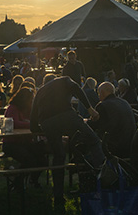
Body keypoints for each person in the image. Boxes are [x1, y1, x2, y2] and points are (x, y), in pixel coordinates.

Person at [30, 76, 104, 204]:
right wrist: (90, 109)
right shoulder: (63, 80)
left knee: (59, 156)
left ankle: (58, 196)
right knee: (93, 141)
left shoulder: (40, 92)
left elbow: (32, 125)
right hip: (66, 115)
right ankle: (104, 181)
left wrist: (46, 128)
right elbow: (76, 88)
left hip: (47, 122)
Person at [2, 87, 47, 187]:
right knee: (29, 159)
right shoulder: (12, 108)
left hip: (25, 142)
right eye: (30, 100)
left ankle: (32, 179)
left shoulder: (28, 109)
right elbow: (15, 123)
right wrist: (30, 124)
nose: (32, 102)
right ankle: (18, 180)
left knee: (42, 160)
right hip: (11, 143)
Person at [89, 82, 136, 158]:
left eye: (98, 93)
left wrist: (86, 122)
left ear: (102, 93)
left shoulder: (103, 106)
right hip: (129, 145)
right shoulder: (124, 102)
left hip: (113, 147)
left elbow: (95, 126)